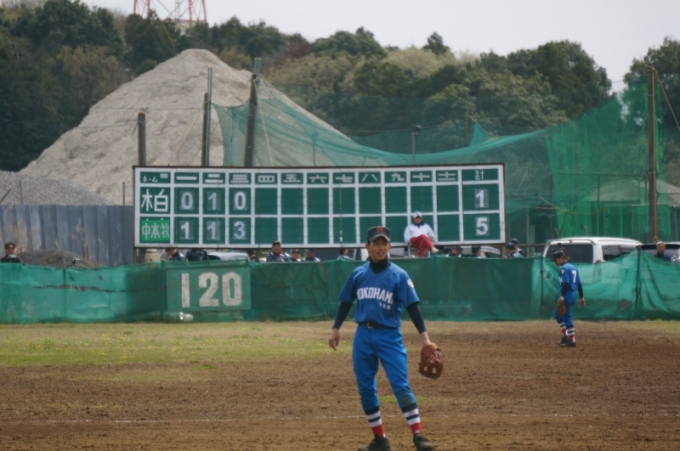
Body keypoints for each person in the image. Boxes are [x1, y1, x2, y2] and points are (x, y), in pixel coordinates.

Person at [328, 226, 435, 451]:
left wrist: (425, 339)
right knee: (366, 388)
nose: (380, 247)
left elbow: (413, 307)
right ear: (367, 246)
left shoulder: (399, 275)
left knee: (400, 384)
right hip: (363, 336)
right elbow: (346, 302)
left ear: (390, 246)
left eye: (384, 243)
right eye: (375, 243)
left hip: (389, 336)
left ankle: (418, 435)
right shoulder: (358, 274)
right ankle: (380, 440)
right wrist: (335, 328)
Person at [552, 249, 586, 347]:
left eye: (556, 259)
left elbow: (565, 283)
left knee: (567, 317)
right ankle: (565, 336)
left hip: (567, 294)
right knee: (557, 314)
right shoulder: (573, 267)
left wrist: (562, 296)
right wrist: (581, 297)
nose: (555, 261)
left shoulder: (564, 268)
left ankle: (572, 341)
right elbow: (579, 284)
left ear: (561, 258)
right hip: (572, 294)